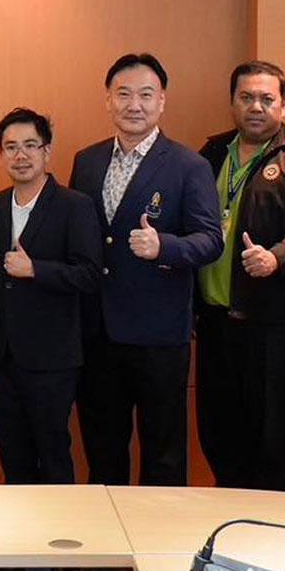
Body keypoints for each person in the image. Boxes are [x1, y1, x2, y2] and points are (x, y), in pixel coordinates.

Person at [70, 53, 220, 486]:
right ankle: (107, 529)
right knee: (103, 450)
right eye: (124, 94)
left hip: (160, 335)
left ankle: (161, 530)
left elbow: (211, 240)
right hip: (98, 332)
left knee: (164, 455)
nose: (134, 105)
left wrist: (164, 246)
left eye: (145, 95)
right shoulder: (87, 161)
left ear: (162, 101)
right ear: (108, 100)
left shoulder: (189, 165)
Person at [195, 61, 285, 492]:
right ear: (232, 102)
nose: (256, 107)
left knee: (272, 442)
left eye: (267, 99)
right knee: (218, 433)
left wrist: (274, 258)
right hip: (214, 321)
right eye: (246, 97)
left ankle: (273, 524)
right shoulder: (212, 153)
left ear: (283, 105)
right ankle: (230, 519)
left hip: (271, 326)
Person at [0, 109, 101, 484]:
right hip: (2, 357)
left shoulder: (74, 205)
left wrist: (36, 269)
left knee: (52, 455)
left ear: (47, 151)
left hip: (53, 358)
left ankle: (60, 522)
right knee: (12, 457)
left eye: (30, 145)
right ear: (1, 153)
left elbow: (90, 274)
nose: (21, 155)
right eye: (11, 147)